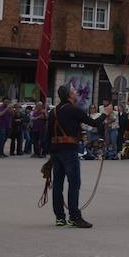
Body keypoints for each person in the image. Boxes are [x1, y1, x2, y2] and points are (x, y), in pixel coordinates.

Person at [48, 85, 93, 228]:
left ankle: (60, 218)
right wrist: (106, 113)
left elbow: (47, 135)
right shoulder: (73, 110)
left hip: (56, 151)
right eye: (73, 91)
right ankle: (74, 216)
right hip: (69, 151)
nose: (76, 93)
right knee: (74, 184)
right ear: (69, 95)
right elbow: (93, 123)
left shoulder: (53, 111)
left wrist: (50, 153)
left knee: (57, 185)